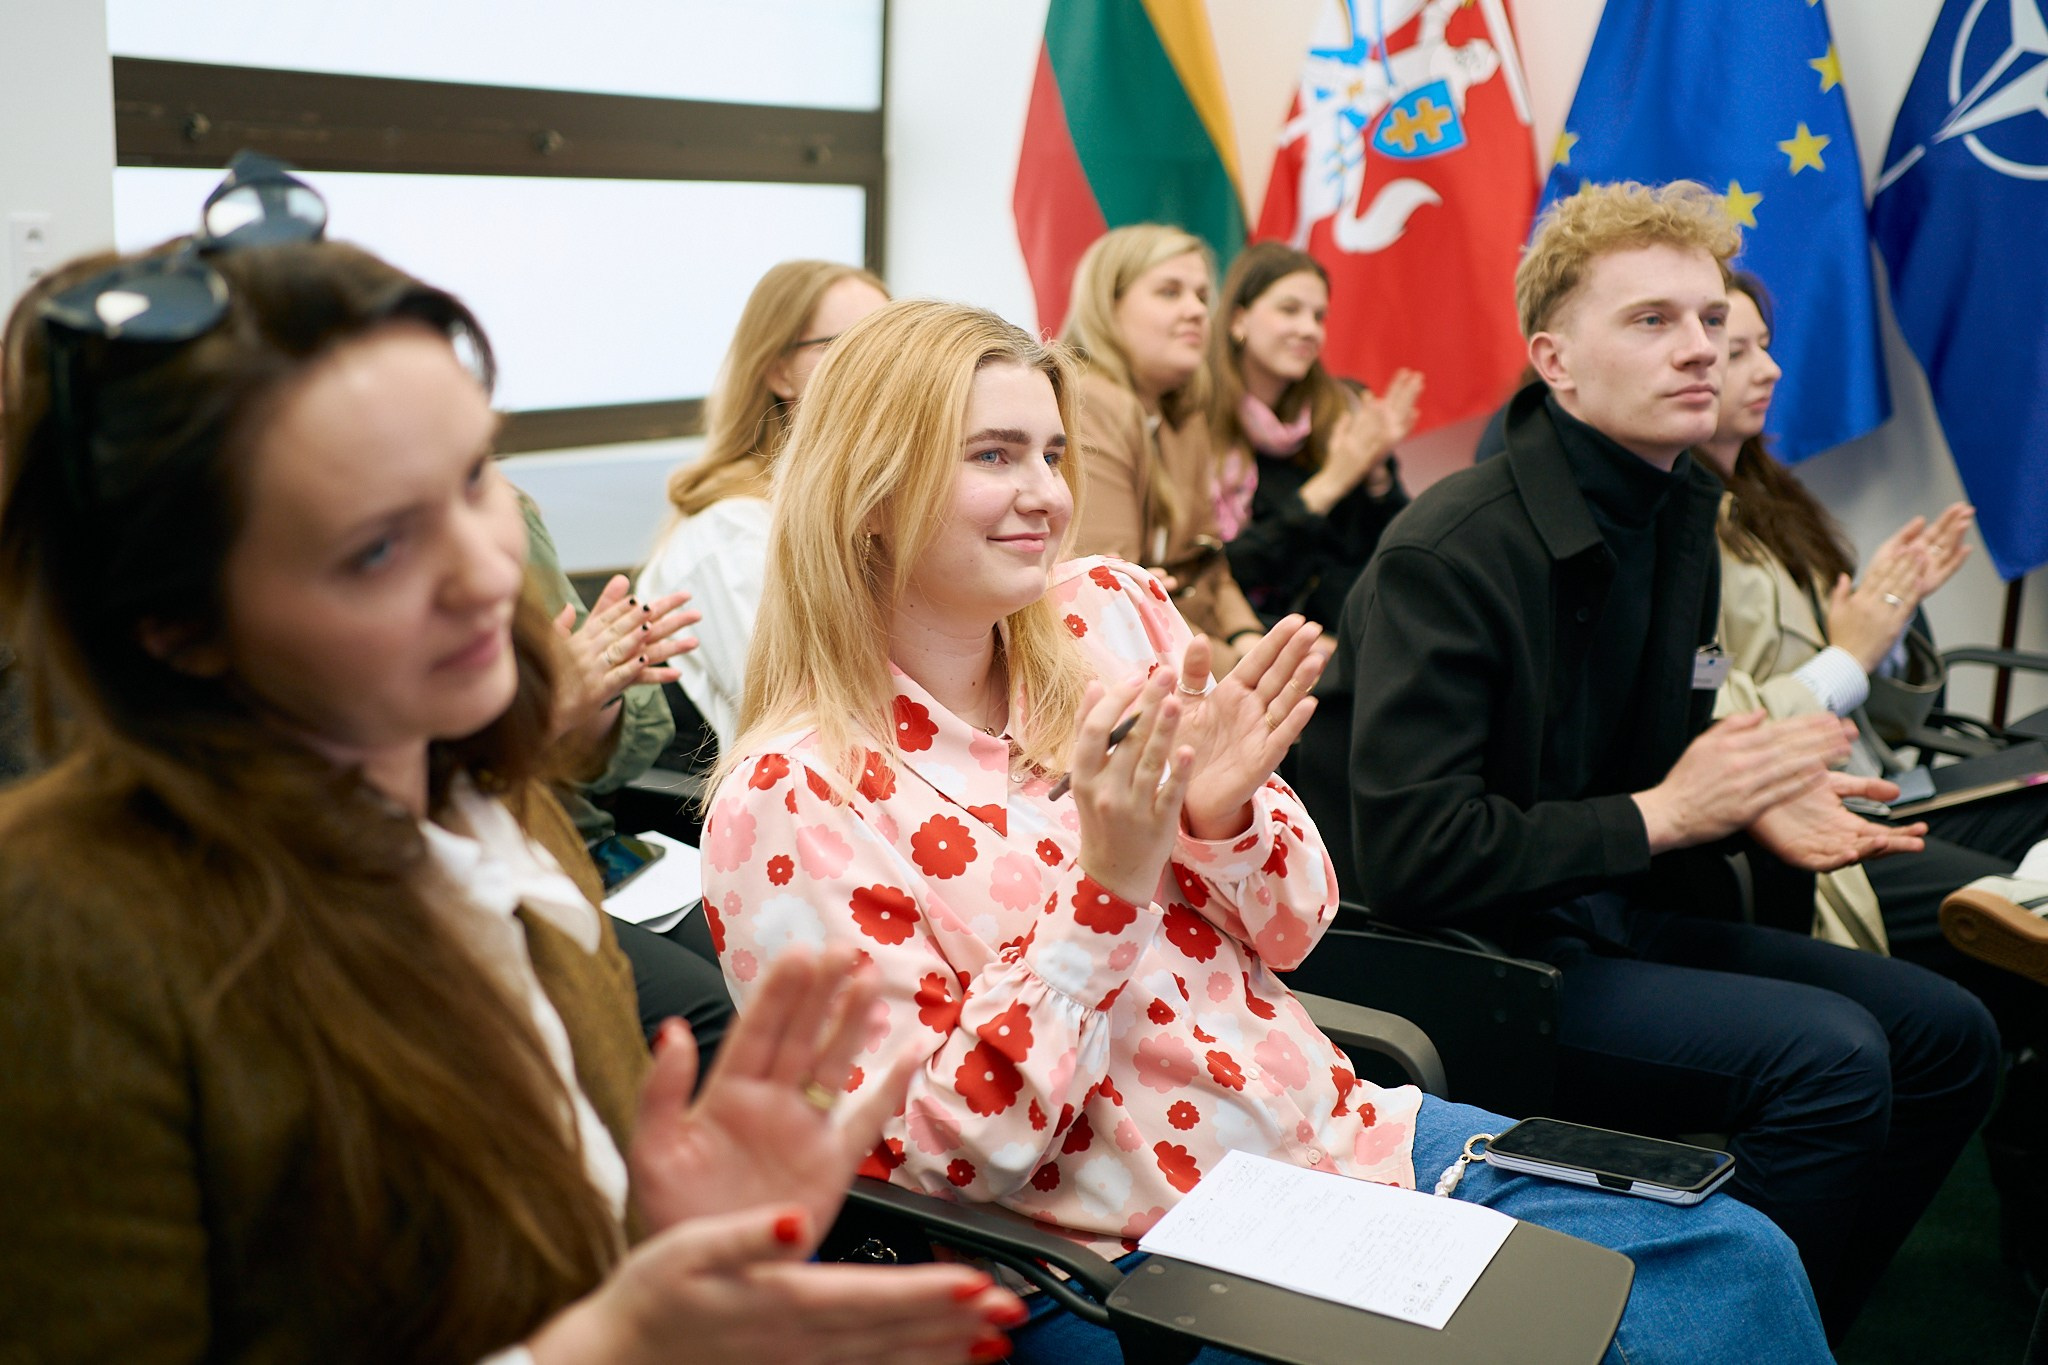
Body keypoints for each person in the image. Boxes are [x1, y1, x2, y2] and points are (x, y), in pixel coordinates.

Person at [0, 158, 1018, 1364]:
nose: (491, 571)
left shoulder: (485, 810)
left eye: (474, 475)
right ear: (174, 621)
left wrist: (666, 1237)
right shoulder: (59, 929)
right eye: (378, 546)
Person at [700, 295, 1833, 1365]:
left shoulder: (1108, 615)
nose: (1045, 491)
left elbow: (1295, 927)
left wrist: (1219, 814)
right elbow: (946, 1159)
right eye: (993, 455)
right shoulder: (792, 799)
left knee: (1732, 1259)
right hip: (1128, 1251)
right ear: (871, 488)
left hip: (1331, 1138)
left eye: (1051, 453)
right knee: (1626, 1331)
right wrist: (1103, 892)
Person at [1336, 179, 1999, 1342]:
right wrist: (1666, 814)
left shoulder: (1675, 507)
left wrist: (1748, 804)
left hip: (1598, 909)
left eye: (1707, 318)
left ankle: (1794, 1324)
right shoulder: (1447, 550)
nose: (1698, 348)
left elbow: (1652, 759)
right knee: (1829, 1062)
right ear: (1555, 361)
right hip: (1474, 950)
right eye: (1651, 320)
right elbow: (1412, 853)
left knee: (1947, 1035)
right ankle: (1711, 1333)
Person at [639, 260, 890, 754]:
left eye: (892, 345)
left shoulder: (873, 506)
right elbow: (800, 726)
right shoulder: (732, 531)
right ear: (780, 372)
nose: (880, 367)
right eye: (848, 347)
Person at [1061, 225, 1264, 676]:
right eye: (1170, 292)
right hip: (1117, 664)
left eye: (1201, 296)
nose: (1196, 310)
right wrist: (1245, 670)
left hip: (1183, 644)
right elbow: (1108, 597)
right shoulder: (1089, 401)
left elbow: (1208, 563)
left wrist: (1249, 638)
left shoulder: (1183, 417)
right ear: (1107, 307)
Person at [1208, 241, 1424, 628]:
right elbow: (1221, 571)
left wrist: (1375, 475)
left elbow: (1396, 551)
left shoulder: (1345, 408)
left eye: (1318, 316)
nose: (1308, 330)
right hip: (1253, 643)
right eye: (1289, 310)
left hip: (1350, 636)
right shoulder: (1198, 420)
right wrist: (1332, 482)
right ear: (1238, 320)